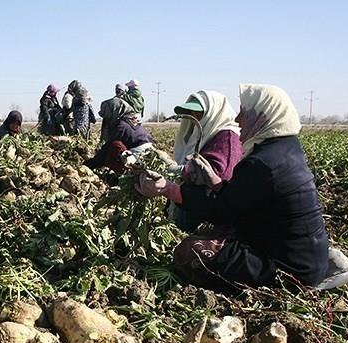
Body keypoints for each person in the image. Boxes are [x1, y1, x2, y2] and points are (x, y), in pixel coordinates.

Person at [136, 84, 329, 291]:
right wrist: (215, 181)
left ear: (262, 117)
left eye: (244, 113)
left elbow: (221, 211)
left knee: (190, 252)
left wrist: (168, 189)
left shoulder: (263, 162)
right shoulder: (286, 148)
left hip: (286, 271)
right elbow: (243, 198)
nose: (237, 120)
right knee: (215, 236)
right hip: (304, 257)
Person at [166, 90, 243, 231]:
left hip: (207, 213)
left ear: (214, 112)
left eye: (199, 113)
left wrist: (176, 171)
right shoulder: (202, 133)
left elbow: (219, 177)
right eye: (192, 113)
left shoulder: (227, 137)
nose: (194, 117)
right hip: (189, 202)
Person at [85, 103, 150, 174]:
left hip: (137, 152)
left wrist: (94, 162)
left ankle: (122, 172)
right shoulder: (135, 124)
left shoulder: (122, 125)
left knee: (115, 146)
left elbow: (109, 145)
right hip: (148, 151)